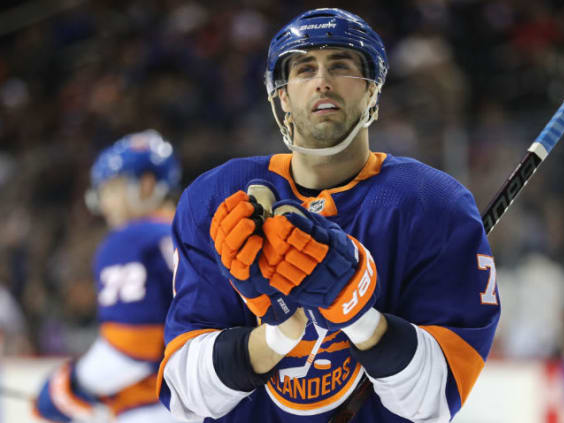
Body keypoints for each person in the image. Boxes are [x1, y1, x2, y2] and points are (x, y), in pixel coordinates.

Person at [157, 8, 501, 423]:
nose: (322, 80)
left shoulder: (435, 204)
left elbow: (433, 399)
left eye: (340, 66)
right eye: (304, 69)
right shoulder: (215, 201)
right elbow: (184, 396)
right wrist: (279, 332)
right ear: (281, 95)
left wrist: (357, 316)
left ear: (372, 89)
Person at [34, 130, 188, 423]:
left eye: (113, 189)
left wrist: (70, 386)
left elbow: (131, 348)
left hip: (160, 409)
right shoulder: (199, 234)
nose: (106, 204)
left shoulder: (131, 240)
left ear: (146, 185)